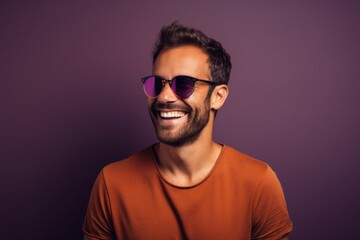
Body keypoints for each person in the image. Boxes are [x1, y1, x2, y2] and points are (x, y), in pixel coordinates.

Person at [83, 22, 293, 240]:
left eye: (183, 85)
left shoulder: (258, 183)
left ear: (218, 97)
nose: (164, 97)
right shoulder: (111, 183)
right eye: (157, 84)